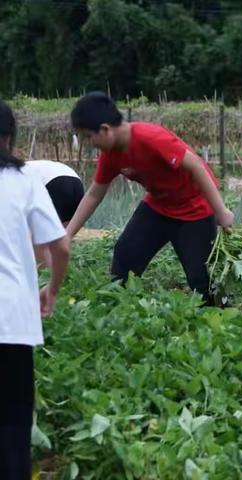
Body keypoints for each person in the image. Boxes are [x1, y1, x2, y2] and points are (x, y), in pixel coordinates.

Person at [66, 92, 234, 305]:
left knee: (202, 279)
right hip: (159, 206)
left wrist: (221, 211)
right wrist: (68, 234)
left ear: (106, 129)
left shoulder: (150, 138)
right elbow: (94, 194)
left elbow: (196, 166)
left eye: (89, 137)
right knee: (125, 254)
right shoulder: (111, 155)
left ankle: (223, 318)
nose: (90, 144)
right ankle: (117, 308)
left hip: (195, 209)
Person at [0, 100, 70, 479]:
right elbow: (59, 245)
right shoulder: (25, 179)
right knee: (12, 426)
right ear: (9, 138)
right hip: (11, 319)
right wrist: (52, 289)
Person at [23, 160, 83, 267]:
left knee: (40, 242)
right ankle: (63, 276)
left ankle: (45, 277)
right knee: (60, 239)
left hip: (53, 184)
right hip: (76, 182)